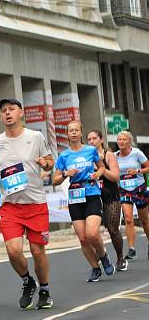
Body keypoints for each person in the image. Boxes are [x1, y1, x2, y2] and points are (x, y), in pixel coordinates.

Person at [0, 98, 54, 310]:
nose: (7, 113)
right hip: (10, 205)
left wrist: (45, 163)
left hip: (35, 202)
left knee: (37, 251)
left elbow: (50, 161)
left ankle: (44, 289)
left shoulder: (35, 137)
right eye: (3, 110)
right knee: (13, 250)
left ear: (21, 113)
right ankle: (27, 281)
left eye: (11, 109)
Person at [53, 121, 114, 282]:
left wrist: (97, 174)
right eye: (70, 130)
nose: (73, 133)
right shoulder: (64, 156)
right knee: (82, 238)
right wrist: (66, 173)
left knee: (92, 233)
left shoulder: (90, 150)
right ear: (67, 134)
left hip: (92, 193)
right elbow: (55, 180)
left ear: (81, 133)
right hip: (75, 196)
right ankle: (95, 268)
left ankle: (103, 256)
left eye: (76, 130)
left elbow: (101, 167)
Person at [87, 129, 127, 271]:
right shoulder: (85, 156)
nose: (91, 142)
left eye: (94, 138)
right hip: (93, 197)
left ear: (101, 140)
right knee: (91, 231)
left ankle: (120, 257)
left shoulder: (108, 155)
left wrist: (102, 170)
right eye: (89, 139)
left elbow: (116, 177)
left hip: (110, 196)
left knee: (112, 229)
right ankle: (101, 252)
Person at [115, 131, 149, 260]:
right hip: (124, 189)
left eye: (124, 139)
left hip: (139, 188)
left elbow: (148, 167)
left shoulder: (137, 153)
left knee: (144, 221)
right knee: (128, 218)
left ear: (129, 141)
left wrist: (138, 170)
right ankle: (131, 249)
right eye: (119, 139)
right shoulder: (114, 156)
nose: (121, 142)